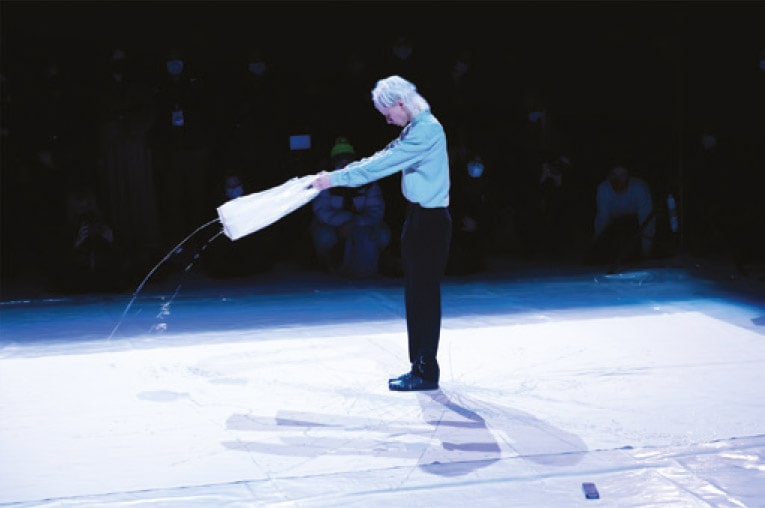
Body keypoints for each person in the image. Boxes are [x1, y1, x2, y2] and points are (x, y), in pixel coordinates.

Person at [311, 76, 451, 392]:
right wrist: (337, 176)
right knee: (415, 296)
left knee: (424, 297)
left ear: (400, 103)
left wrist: (336, 179)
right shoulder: (413, 128)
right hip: (417, 219)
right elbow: (377, 158)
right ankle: (420, 367)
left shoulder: (426, 130)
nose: (386, 119)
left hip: (430, 222)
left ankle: (427, 371)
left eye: (386, 112)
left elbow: (381, 167)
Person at [310, 137, 391, 278]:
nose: (344, 162)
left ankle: (375, 264)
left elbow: (376, 209)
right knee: (324, 237)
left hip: (361, 224)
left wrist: (356, 222)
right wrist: (343, 222)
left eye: (348, 158)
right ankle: (327, 265)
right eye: (340, 158)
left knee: (383, 235)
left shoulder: (368, 182)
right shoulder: (324, 181)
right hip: (331, 225)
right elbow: (321, 210)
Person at [585, 164, 656, 266]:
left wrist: (646, 251)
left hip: (635, 228)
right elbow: (602, 218)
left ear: (629, 176)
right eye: (614, 174)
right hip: (615, 227)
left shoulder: (639, 188)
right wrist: (596, 244)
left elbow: (647, 219)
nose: (618, 179)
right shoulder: (603, 188)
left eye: (622, 175)